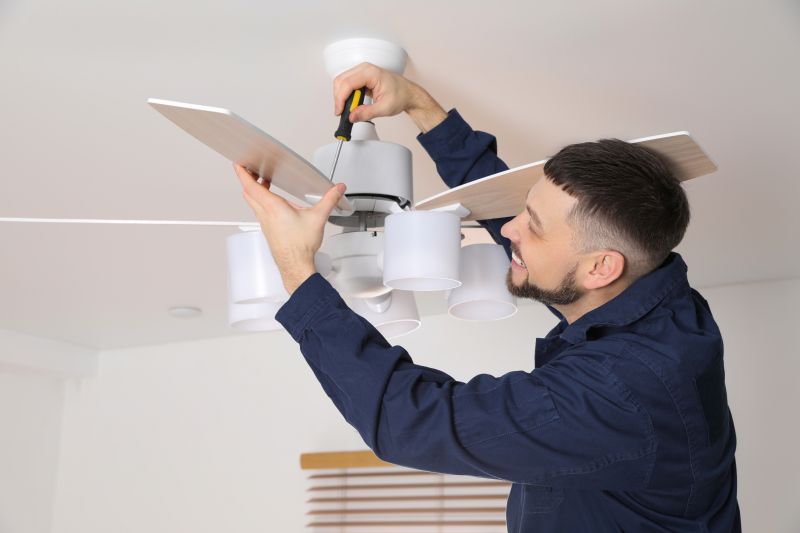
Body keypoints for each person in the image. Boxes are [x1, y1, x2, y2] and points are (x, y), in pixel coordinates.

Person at [233, 63, 740, 532]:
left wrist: (298, 269)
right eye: (525, 209)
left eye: (534, 228)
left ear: (601, 268)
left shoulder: (618, 394)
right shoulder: (657, 296)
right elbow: (535, 234)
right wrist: (420, 107)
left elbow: (407, 420)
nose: (508, 229)